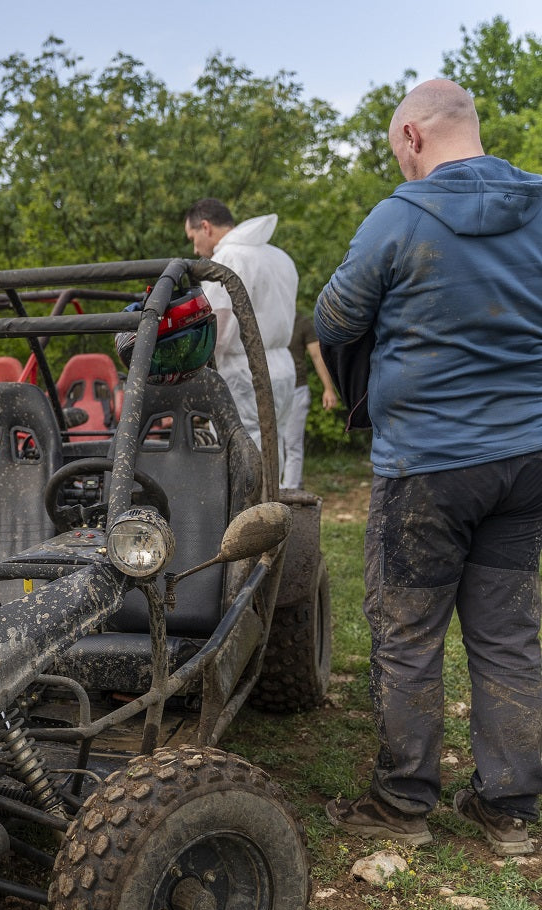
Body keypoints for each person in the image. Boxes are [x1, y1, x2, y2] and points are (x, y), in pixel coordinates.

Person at [315, 79, 542, 857]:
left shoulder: (400, 216)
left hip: (430, 465)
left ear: (412, 137)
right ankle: (510, 812)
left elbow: (336, 319)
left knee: (409, 634)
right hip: (526, 461)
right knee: (508, 631)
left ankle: (402, 804)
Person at [184, 199, 298, 470]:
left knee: (241, 452)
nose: (194, 247)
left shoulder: (228, 259)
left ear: (206, 227)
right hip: (283, 366)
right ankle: (272, 505)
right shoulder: (279, 256)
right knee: (273, 446)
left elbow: (216, 328)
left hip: (245, 370)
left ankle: (249, 512)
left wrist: (192, 373)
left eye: (193, 237)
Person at [280, 313, 338, 490]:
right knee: (273, 441)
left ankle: (290, 490)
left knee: (293, 443)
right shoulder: (268, 319)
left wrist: (328, 388)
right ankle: (273, 488)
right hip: (271, 390)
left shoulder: (301, 321)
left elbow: (317, 355)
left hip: (297, 389)